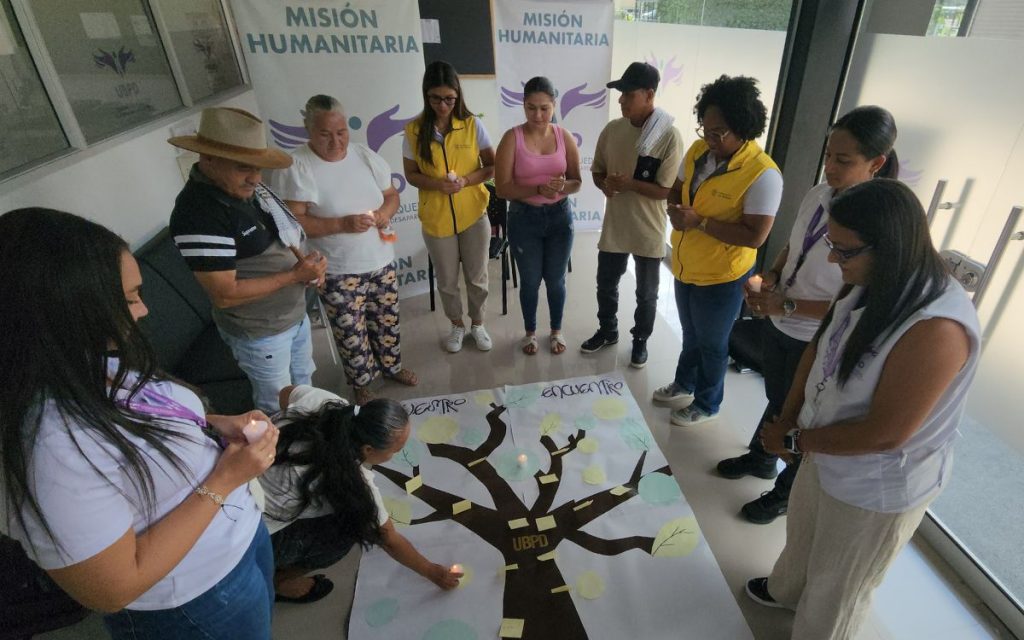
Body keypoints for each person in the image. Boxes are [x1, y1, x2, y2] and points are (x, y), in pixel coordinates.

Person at [0, 208, 281, 639]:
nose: (144, 309)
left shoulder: (81, 362)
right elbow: (112, 589)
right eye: (130, 298)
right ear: (67, 309)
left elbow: (129, 421)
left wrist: (210, 422)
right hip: (194, 602)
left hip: (238, 545)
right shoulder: (49, 444)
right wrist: (224, 480)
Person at [745, 179, 980, 639]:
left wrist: (794, 440)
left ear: (890, 246)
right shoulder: (871, 278)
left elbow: (885, 434)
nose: (833, 259)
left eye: (844, 250)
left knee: (839, 584)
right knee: (804, 532)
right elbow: (819, 346)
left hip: (877, 482)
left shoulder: (938, 329)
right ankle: (786, 589)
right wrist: (787, 417)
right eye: (832, 244)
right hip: (823, 446)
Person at [717, 106, 900, 525]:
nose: (830, 166)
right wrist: (772, 277)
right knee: (778, 398)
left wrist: (788, 305)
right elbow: (793, 246)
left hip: (818, 333)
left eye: (843, 160)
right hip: (783, 321)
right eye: (828, 155)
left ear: (877, 163)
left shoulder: (878, 225)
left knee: (799, 414)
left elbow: (858, 299)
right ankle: (760, 458)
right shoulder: (819, 194)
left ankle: (785, 492)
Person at [168, 107, 327, 414]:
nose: (255, 178)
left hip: (291, 318)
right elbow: (224, 294)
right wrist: (294, 276)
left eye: (258, 168)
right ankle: (285, 458)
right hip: (262, 333)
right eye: (243, 168)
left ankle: (314, 444)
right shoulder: (199, 213)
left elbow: (287, 236)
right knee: (277, 407)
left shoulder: (249, 189)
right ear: (208, 158)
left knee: (305, 388)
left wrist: (311, 266)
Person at [272, 95, 417, 407]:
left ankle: (391, 367)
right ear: (308, 129)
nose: (336, 141)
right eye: (325, 134)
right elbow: (295, 224)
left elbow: (391, 196)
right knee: (350, 330)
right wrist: (342, 224)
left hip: (380, 259)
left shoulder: (364, 156)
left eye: (341, 132)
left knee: (386, 319)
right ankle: (361, 382)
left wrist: (384, 214)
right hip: (337, 267)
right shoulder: (297, 165)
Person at [654, 75, 783, 426]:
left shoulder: (763, 175)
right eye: (705, 129)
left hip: (722, 276)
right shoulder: (698, 152)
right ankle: (685, 382)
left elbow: (755, 236)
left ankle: (708, 403)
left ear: (743, 129)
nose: (709, 139)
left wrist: (699, 222)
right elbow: (675, 190)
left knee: (712, 343)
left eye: (718, 132)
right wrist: (675, 211)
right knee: (691, 334)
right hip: (686, 265)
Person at [260, 384, 461, 602]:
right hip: (251, 532)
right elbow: (389, 539)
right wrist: (432, 571)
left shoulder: (327, 403)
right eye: (395, 451)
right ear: (368, 450)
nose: (396, 455)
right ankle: (278, 581)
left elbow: (286, 393)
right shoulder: (350, 481)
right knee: (348, 530)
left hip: (236, 473)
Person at [582, 61, 683, 368]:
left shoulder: (668, 136)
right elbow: (597, 170)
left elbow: (665, 190)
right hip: (615, 226)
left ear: (649, 95)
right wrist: (605, 185)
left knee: (647, 294)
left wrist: (629, 184)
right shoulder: (613, 130)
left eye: (628, 94)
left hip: (649, 230)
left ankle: (640, 341)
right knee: (605, 284)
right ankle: (608, 330)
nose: (621, 100)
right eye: (621, 94)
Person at [403, 61, 496, 354]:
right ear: (426, 96)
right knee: (446, 281)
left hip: (473, 214)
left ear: (458, 96)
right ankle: (457, 325)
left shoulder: (471, 125)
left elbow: (491, 166)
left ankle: (478, 324)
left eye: (449, 99)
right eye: (436, 98)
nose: (443, 105)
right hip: (437, 219)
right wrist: (436, 184)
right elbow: (411, 175)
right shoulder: (414, 130)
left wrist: (467, 180)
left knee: (477, 276)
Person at [494, 76, 583, 355]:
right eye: (531, 108)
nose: (538, 115)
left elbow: (576, 182)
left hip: (560, 218)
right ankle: (530, 332)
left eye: (545, 108)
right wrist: (537, 188)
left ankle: (556, 330)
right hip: (524, 218)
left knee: (556, 279)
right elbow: (502, 188)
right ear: (523, 106)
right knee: (530, 280)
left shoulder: (563, 136)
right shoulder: (512, 138)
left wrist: (561, 187)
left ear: (554, 106)